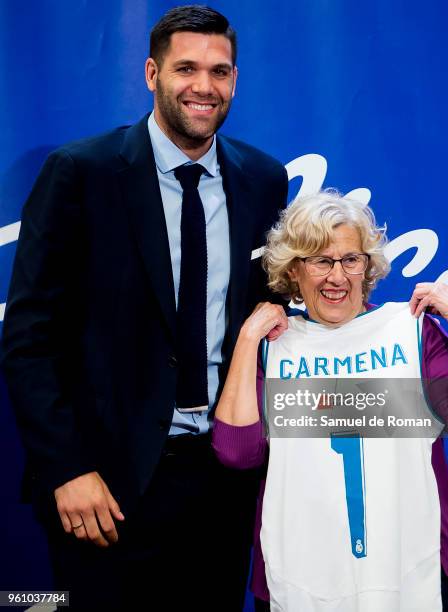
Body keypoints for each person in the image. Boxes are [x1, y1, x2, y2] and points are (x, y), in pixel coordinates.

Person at [0, 5, 288, 611]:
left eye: (220, 71)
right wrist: (67, 468)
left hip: (223, 480)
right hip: (105, 482)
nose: (204, 86)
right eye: (187, 68)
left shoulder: (263, 178)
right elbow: (29, 336)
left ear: (235, 80)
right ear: (152, 73)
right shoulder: (81, 172)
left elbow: (268, 319)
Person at [213, 190, 448, 612]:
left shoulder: (412, 333)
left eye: (350, 259)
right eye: (320, 260)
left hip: (417, 574)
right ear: (294, 269)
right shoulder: (273, 345)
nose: (337, 276)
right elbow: (237, 453)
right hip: (298, 580)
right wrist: (246, 340)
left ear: (366, 266)